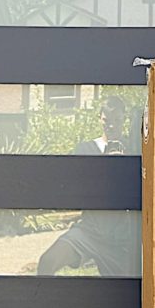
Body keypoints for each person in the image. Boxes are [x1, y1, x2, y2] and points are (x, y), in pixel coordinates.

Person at [37, 96, 141, 277]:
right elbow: (76, 186)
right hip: (90, 230)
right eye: (107, 119)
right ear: (100, 118)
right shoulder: (85, 149)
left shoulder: (133, 149)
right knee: (47, 261)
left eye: (117, 120)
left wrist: (126, 163)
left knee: (127, 293)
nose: (112, 125)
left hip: (121, 239)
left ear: (123, 119)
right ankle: (42, 304)